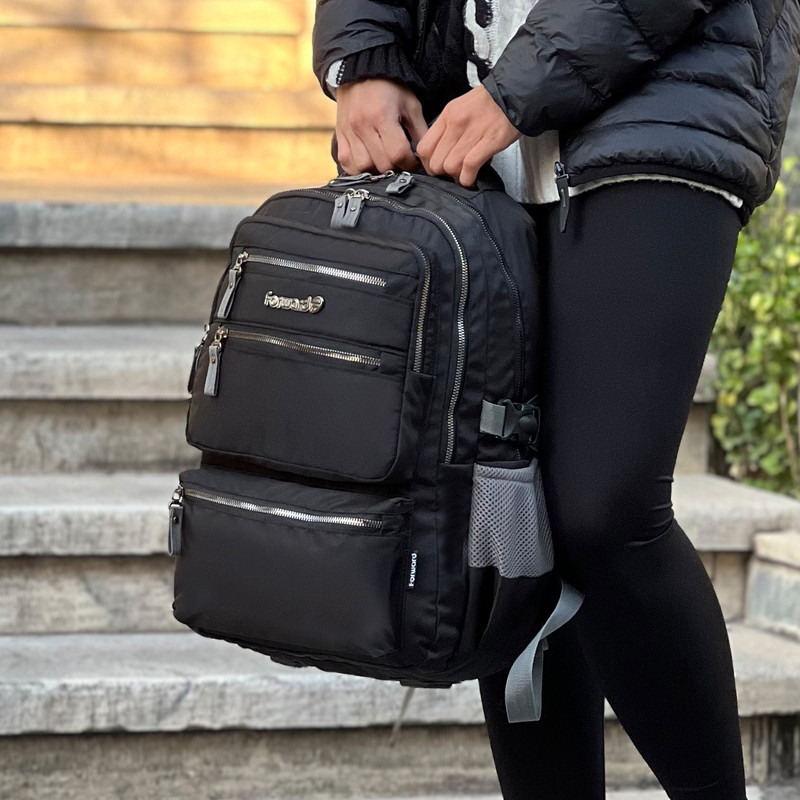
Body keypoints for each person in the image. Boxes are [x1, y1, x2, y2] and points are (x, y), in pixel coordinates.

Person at [311, 1, 800, 797]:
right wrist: (362, 55)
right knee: (505, 514)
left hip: (661, 98)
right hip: (464, 110)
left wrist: (520, 88)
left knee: (603, 511)